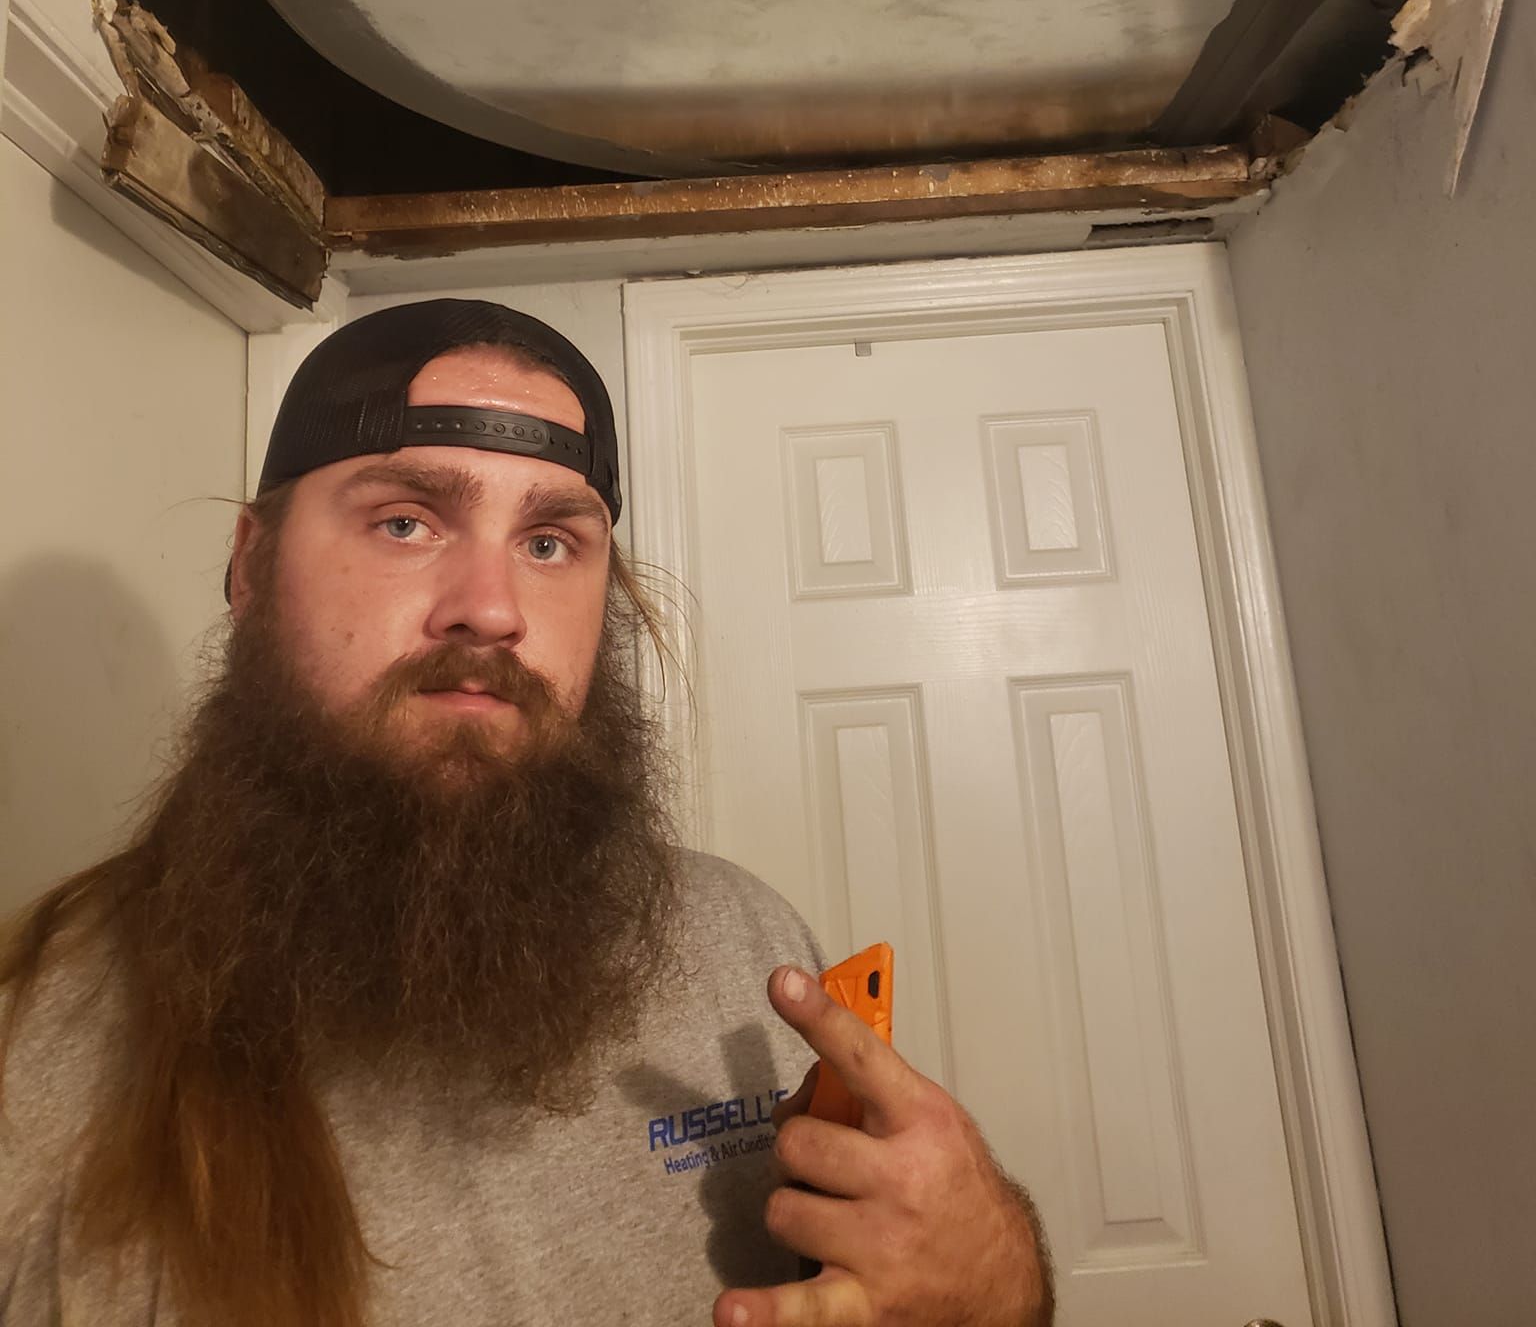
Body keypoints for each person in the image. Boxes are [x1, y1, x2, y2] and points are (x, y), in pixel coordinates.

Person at [0, 300, 1053, 1327]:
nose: (492, 607)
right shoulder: (33, 1053)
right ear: (250, 559)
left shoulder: (749, 949)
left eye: (550, 541)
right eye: (405, 520)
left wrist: (995, 1283)